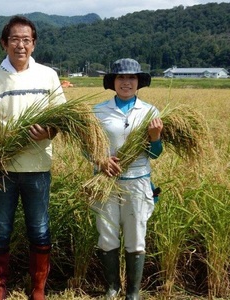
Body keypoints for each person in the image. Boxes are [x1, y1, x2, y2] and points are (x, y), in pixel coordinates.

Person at [0, 15, 66, 300]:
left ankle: (37, 289)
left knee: (38, 229)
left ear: (34, 44)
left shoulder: (48, 76)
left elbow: (62, 120)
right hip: (1, 168)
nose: (21, 45)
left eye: (26, 39)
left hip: (38, 167)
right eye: (15, 39)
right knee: (0, 227)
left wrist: (47, 131)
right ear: (4, 43)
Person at [92, 58, 163, 300]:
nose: (126, 82)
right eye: (121, 77)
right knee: (107, 234)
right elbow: (88, 146)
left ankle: (133, 292)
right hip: (106, 181)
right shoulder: (98, 111)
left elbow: (155, 154)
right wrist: (101, 160)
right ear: (112, 81)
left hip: (137, 181)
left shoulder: (150, 112)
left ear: (138, 82)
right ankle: (112, 287)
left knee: (136, 236)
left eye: (132, 78)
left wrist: (155, 137)